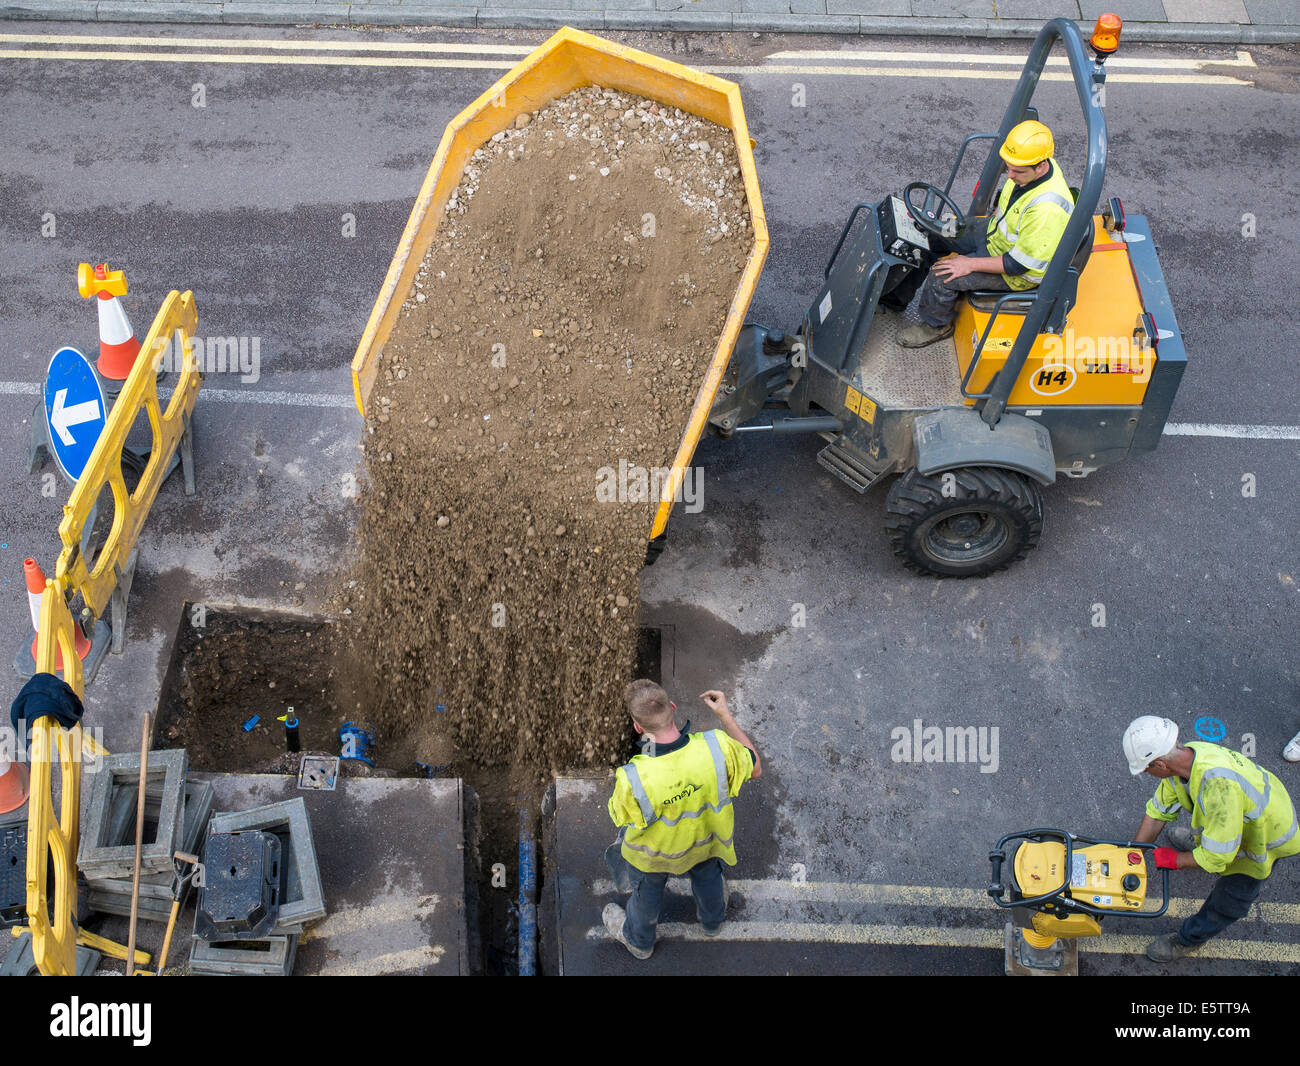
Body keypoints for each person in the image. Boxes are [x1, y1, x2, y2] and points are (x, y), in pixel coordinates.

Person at [601, 680, 761, 959]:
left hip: (654, 856)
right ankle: (712, 922)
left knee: (646, 892)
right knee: (709, 876)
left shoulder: (633, 777)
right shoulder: (716, 747)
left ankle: (639, 942)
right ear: (672, 708)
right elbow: (755, 767)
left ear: (638, 727)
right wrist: (724, 715)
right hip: (705, 842)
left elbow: (620, 814)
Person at [1123, 715, 1300, 963]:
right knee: (1213, 838)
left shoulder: (1218, 788)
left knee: (1230, 900)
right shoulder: (1187, 758)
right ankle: (1204, 844)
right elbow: (1157, 812)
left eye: (1145, 769)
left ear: (1160, 765)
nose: (1146, 774)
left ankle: (1188, 940)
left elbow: (1219, 857)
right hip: (1243, 811)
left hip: (1265, 837)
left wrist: (1177, 860)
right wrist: (1131, 854)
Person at [885, 120, 1076, 349]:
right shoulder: (1029, 164)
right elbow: (1010, 207)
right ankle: (896, 299)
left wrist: (970, 263)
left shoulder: (1047, 210)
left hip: (1016, 272)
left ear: (1042, 167)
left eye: (1017, 171)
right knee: (934, 232)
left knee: (942, 276)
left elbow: (1017, 265)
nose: (1010, 175)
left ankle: (936, 325)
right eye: (1009, 168)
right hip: (995, 234)